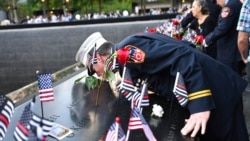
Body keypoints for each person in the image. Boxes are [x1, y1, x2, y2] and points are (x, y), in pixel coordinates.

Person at [75, 32, 249, 141]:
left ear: (99, 57)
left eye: (92, 69)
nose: (96, 74)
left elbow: (183, 58)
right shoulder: (124, 59)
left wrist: (200, 106)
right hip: (212, 90)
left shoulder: (127, 53)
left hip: (216, 93)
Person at [203, 0, 244, 76]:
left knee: (230, 80)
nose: (217, 4)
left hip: (228, 53)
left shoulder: (229, 6)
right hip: (234, 51)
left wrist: (207, 39)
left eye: (216, 1)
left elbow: (222, 28)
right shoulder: (237, 3)